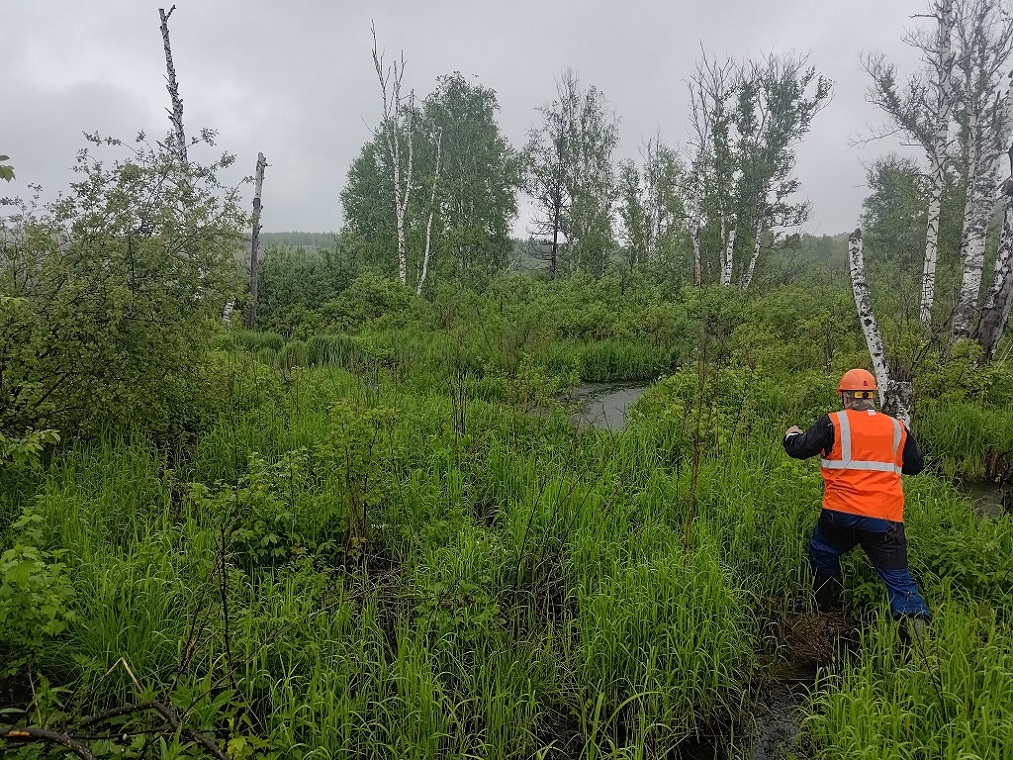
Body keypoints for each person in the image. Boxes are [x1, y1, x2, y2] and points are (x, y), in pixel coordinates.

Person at [783, 368, 931, 626]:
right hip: (885, 519)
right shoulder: (897, 427)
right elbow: (915, 466)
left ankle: (826, 606)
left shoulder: (832, 423)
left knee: (823, 551)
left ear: (845, 397)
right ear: (872, 396)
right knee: (899, 582)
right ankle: (918, 636)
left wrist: (791, 435)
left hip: (840, 515)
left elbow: (800, 449)